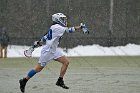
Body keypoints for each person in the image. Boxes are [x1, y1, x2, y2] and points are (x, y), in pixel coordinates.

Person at [19, 13, 88, 93]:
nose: (64, 21)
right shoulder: (57, 27)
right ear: (57, 20)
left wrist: (34, 46)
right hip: (48, 51)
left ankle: (60, 80)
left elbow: (44, 38)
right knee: (38, 69)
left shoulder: (54, 27)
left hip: (54, 50)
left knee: (66, 62)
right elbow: (69, 30)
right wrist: (80, 27)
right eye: (62, 19)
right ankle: (24, 80)